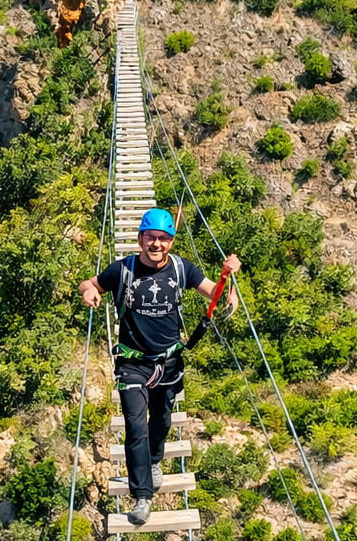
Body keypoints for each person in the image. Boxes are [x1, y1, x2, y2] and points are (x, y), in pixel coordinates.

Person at [79, 209, 241, 524]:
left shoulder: (183, 269)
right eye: (151, 237)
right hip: (132, 362)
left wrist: (229, 279)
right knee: (135, 426)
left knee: (162, 420)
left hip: (168, 361)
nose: (157, 244)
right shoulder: (122, 270)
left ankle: (155, 459)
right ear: (140, 239)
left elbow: (215, 294)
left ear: (171, 241)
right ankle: (142, 495)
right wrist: (89, 293)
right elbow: (91, 283)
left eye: (164, 238)